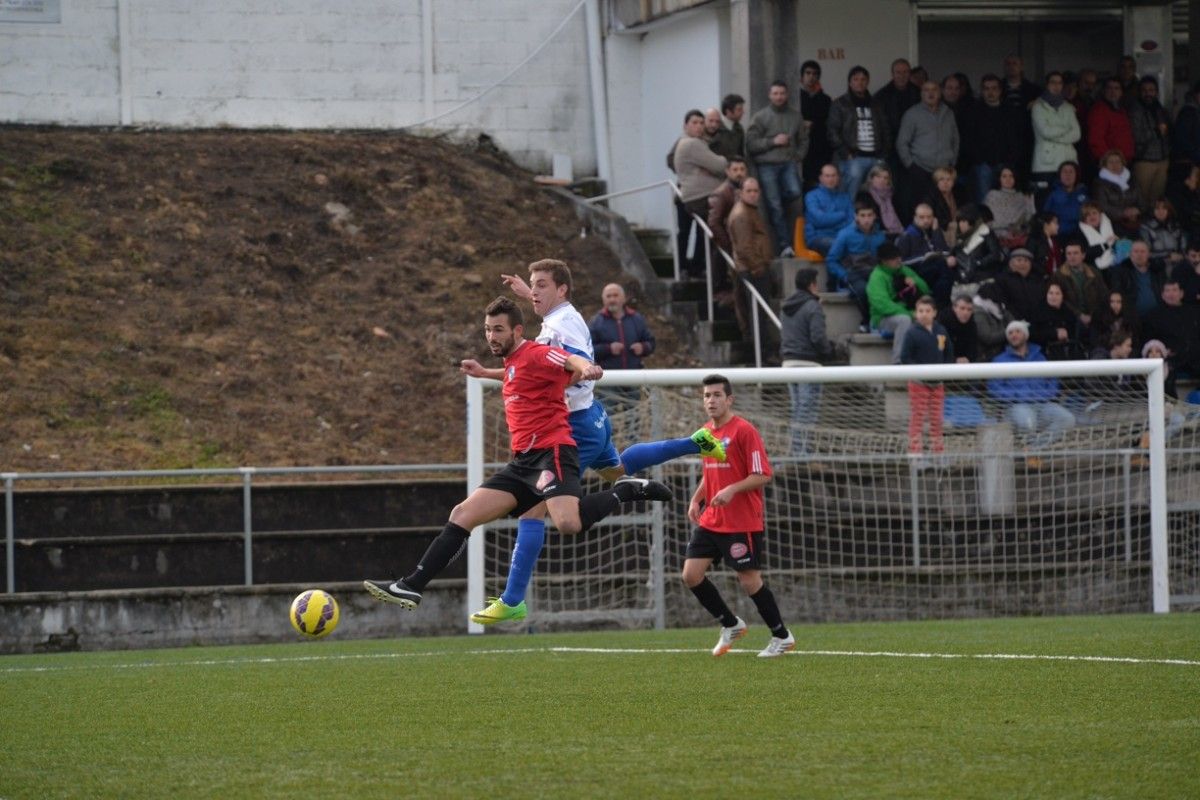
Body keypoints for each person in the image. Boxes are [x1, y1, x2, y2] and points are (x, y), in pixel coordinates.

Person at [363, 296, 674, 611]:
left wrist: (587, 366)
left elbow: (567, 360)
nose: (491, 336)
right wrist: (485, 372)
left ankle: (625, 489)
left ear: (517, 330)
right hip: (522, 461)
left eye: (498, 330)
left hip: (553, 452)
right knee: (462, 514)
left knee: (568, 523)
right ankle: (411, 586)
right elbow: (518, 375)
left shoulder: (537, 353)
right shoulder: (512, 362)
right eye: (487, 330)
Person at [456, 262, 726, 624]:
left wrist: (572, 373)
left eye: (541, 286)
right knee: (617, 471)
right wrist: (524, 298)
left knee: (533, 508)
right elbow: (536, 365)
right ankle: (695, 442)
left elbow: (561, 368)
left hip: (572, 426)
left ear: (562, 290)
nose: (533, 292)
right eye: (532, 286)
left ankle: (512, 598)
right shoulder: (566, 314)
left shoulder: (558, 327)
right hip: (591, 416)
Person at [683, 374, 793, 658]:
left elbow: (762, 475)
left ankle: (782, 636)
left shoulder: (744, 431)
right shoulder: (706, 432)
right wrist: (697, 499)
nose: (711, 400)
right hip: (712, 519)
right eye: (707, 395)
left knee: (749, 581)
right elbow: (711, 474)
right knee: (691, 575)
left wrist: (732, 490)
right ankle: (731, 624)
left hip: (741, 521)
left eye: (717, 395)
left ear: (729, 399)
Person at [987, 320, 1076, 449]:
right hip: (1016, 407)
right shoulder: (1000, 360)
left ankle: (1033, 449)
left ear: (1026, 335)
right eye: (1010, 333)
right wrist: (1017, 396)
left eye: (1018, 331)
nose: (1014, 335)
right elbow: (994, 387)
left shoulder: (1039, 357)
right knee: (1028, 423)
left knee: (1068, 419)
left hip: (1042, 404)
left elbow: (1052, 380)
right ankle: (1033, 454)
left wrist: (1044, 395)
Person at [746, 80, 809, 255]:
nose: (779, 97)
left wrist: (798, 156)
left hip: (788, 163)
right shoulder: (760, 117)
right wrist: (773, 141)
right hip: (767, 165)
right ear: (769, 95)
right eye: (775, 93)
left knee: (795, 192)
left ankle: (777, 197)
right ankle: (784, 245)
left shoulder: (796, 116)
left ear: (787, 94)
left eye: (782, 93)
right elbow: (750, 144)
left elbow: (804, 140)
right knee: (775, 207)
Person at [780, 267, 833, 456]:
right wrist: (829, 352)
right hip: (809, 365)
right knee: (808, 411)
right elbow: (818, 337)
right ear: (812, 285)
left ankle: (798, 451)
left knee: (798, 410)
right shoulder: (813, 306)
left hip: (788, 363)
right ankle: (802, 454)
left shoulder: (787, 307)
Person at [674, 109, 730, 276]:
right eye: (694, 123)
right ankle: (693, 266)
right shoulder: (692, 143)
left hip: (692, 193)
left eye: (700, 123)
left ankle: (693, 266)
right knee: (702, 232)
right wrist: (721, 163)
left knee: (700, 232)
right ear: (685, 126)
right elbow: (720, 165)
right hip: (697, 195)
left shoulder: (696, 142)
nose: (699, 127)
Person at [900, 295, 954, 457]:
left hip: (938, 382)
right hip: (918, 383)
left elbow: (948, 353)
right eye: (920, 311)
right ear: (916, 313)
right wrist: (919, 372)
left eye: (927, 311)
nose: (924, 314)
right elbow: (905, 357)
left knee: (937, 418)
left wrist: (945, 370)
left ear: (934, 313)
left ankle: (938, 452)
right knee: (918, 416)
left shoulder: (941, 331)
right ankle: (915, 452)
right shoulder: (911, 333)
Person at [896, 81, 959, 217]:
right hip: (921, 169)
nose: (930, 93)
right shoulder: (912, 114)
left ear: (940, 93)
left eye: (934, 90)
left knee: (945, 211)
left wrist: (952, 162)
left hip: (943, 171)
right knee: (922, 210)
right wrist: (911, 165)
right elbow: (902, 143)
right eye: (926, 90)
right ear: (921, 94)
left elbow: (955, 139)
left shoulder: (948, 112)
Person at [828, 65, 890, 201]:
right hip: (853, 157)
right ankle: (848, 220)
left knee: (881, 195)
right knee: (850, 195)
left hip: (876, 156)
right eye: (856, 79)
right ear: (850, 82)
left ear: (868, 81)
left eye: (863, 79)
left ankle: (876, 222)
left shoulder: (876, 103)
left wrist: (883, 152)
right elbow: (832, 131)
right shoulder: (840, 104)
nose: (859, 82)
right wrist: (846, 153)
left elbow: (885, 129)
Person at [827, 197, 886, 330]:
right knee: (863, 290)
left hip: (875, 271)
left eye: (869, 215)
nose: (866, 219)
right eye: (862, 215)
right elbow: (831, 260)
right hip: (853, 273)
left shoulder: (880, 236)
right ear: (856, 217)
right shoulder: (845, 234)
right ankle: (866, 322)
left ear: (875, 216)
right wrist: (844, 275)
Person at [966, 73, 1025, 204]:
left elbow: (1017, 137)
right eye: (986, 89)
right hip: (983, 165)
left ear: (1000, 90)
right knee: (984, 201)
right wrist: (978, 159)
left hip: (1006, 163)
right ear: (982, 91)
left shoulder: (1010, 111)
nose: (990, 92)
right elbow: (969, 138)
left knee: (1006, 200)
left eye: (993, 88)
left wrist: (1012, 159)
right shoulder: (974, 111)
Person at [867, 243, 929, 362]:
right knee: (904, 319)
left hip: (907, 311)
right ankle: (898, 360)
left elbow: (926, 289)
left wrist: (914, 281)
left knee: (927, 317)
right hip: (882, 319)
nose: (898, 260)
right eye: (894, 258)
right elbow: (883, 305)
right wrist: (911, 314)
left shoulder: (903, 270)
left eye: (898, 257)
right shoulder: (877, 277)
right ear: (884, 261)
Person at [1030, 72, 1081, 193]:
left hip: (1067, 160)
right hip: (1046, 164)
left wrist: (1055, 132)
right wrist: (1066, 129)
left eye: (1059, 83)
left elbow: (1076, 134)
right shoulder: (1038, 107)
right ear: (1047, 85)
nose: (1056, 86)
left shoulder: (1068, 107)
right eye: (1053, 82)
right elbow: (1046, 132)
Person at [896, 202, 955, 306]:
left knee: (946, 266)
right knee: (942, 266)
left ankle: (941, 303)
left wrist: (936, 231)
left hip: (934, 269)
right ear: (915, 217)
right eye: (921, 217)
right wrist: (923, 257)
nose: (926, 220)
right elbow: (901, 262)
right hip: (916, 271)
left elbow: (944, 251)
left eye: (929, 217)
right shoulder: (907, 236)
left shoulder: (932, 231)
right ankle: (940, 304)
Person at [588, 283, 655, 371]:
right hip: (608, 378)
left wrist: (643, 347)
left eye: (616, 295)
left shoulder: (636, 318)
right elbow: (588, 350)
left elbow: (651, 343)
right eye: (608, 296)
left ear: (624, 298)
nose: (612, 299)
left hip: (635, 377)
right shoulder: (596, 322)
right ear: (603, 300)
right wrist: (608, 349)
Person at [1129, 75, 1171, 211]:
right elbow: (1136, 135)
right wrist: (1156, 132)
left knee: (1157, 200)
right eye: (1145, 90)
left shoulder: (1161, 109)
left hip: (1162, 160)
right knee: (1141, 199)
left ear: (1157, 92)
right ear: (1140, 92)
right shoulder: (1135, 110)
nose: (1148, 93)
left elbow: (1169, 132)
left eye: (1151, 90)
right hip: (1144, 161)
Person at [1142, 280, 1200, 378]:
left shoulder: (1194, 312)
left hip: (1195, 357)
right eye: (1167, 291)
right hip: (1170, 360)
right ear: (1162, 295)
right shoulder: (1153, 316)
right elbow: (1149, 340)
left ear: (1181, 293)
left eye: (1174, 290)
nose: (1171, 294)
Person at [1056, 240, 1108, 336]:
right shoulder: (1059, 276)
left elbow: (1104, 295)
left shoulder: (1094, 273)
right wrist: (1079, 315)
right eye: (1069, 254)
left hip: (1096, 320)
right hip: (1071, 322)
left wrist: (1095, 315)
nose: (1072, 257)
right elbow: (1061, 301)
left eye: (1075, 253)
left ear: (1083, 255)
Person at [804, 163, 853, 255]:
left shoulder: (845, 197)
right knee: (840, 245)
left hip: (841, 237)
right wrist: (842, 215)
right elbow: (819, 220)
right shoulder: (811, 196)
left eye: (833, 176)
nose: (831, 179)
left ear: (838, 178)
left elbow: (851, 222)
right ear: (821, 178)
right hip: (818, 238)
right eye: (827, 176)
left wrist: (829, 220)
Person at [799, 60, 833, 192]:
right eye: (808, 73)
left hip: (820, 148)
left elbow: (829, 123)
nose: (811, 77)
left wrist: (814, 124)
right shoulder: (795, 98)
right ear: (802, 76)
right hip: (801, 148)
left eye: (815, 74)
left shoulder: (825, 100)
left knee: (820, 184)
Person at [1112, 240, 1167, 320]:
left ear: (1149, 254)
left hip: (1158, 316)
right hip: (1133, 318)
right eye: (1136, 251)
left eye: (1142, 251)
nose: (1139, 254)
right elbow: (1117, 294)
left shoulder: (1157, 270)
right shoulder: (1121, 271)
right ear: (1130, 254)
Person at [1030, 279, 1083, 360]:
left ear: (1063, 296)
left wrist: (1067, 333)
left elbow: (1079, 332)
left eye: (1057, 293)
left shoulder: (1069, 313)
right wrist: (1054, 333)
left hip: (1069, 351)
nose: (1053, 297)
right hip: (1046, 353)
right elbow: (1033, 334)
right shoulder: (1038, 312)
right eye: (1050, 293)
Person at [952, 203, 1005, 283]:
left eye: (963, 221)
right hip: (963, 277)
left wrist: (978, 263)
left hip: (984, 275)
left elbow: (995, 254)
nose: (960, 225)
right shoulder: (960, 237)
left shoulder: (986, 234)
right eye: (959, 221)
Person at [1093, 149, 1141, 237]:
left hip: (1134, 220)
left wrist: (1137, 210)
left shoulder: (1132, 180)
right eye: (1111, 162)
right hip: (1113, 223)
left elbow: (1141, 201)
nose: (1115, 165)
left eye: (1117, 161)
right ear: (1104, 165)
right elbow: (1102, 206)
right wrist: (1123, 213)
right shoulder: (1100, 183)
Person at [984, 165, 1036, 246]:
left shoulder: (1021, 196)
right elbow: (989, 221)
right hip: (997, 236)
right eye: (1004, 176)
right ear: (999, 179)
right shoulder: (992, 195)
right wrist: (1007, 229)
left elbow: (1028, 217)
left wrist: (1029, 200)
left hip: (1019, 237)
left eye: (1011, 176)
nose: (1008, 179)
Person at [1087, 78, 1134, 165]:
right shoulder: (1099, 110)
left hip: (1123, 161)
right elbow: (1096, 139)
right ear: (1104, 91)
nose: (1113, 92)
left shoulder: (1121, 110)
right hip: (1110, 163)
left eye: (1116, 88)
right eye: (1109, 88)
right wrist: (1108, 160)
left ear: (1121, 92)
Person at [708, 156, 748, 256]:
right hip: (730, 246)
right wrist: (728, 245)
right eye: (735, 170)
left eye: (742, 169)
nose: (739, 173)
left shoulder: (748, 190)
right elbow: (714, 223)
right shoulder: (720, 193)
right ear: (728, 172)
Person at [995, 247, 1047, 325]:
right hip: (1014, 324)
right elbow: (1004, 303)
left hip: (1038, 323)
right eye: (1019, 260)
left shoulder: (1037, 280)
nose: (1023, 263)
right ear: (1010, 263)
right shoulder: (1002, 279)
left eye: (1026, 261)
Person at [1041, 161, 1088, 237]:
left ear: (1076, 175)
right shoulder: (1053, 194)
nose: (1068, 175)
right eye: (1065, 172)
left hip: (1079, 235)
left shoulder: (1083, 194)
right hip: (1057, 234)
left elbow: (1088, 215)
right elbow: (1045, 216)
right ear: (1060, 175)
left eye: (1071, 172)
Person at [1141, 198, 1187, 267]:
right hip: (1156, 265)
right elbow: (1146, 253)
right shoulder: (1145, 228)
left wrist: (1180, 256)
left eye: (1164, 208)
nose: (1161, 211)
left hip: (1177, 264)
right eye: (1157, 209)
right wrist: (1168, 255)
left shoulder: (1176, 226)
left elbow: (1184, 247)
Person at [926, 165, 967, 241]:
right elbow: (930, 220)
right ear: (936, 182)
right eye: (941, 179)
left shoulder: (958, 194)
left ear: (953, 182)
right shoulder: (930, 197)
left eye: (948, 179)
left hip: (958, 230)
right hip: (939, 232)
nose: (945, 183)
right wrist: (951, 225)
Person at [1078, 201, 1120, 273]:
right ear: (1084, 218)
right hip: (1093, 269)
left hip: (1116, 264)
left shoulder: (1112, 225)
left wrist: (1118, 241)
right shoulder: (1079, 233)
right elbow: (1085, 254)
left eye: (1094, 213)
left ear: (1100, 214)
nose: (1092, 216)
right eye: (1088, 215)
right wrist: (1105, 245)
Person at [937, 293, 979, 363]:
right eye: (962, 308)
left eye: (969, 309)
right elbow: (939, 349)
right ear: (954, 308)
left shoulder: (972, 325)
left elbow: (974, 348)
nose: (966, 312)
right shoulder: (942, 324)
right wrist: (954, 360)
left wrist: (968, 358)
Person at [865, 163, 904, 238]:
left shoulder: (894, 196)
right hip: (875, 233)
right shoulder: (865, 196)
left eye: (885, 178)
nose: (882, 180)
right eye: (878, 176)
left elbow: (901, 216)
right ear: (871, 178)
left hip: (896, 233)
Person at [716, 93, 747, 159]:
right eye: (739, 110)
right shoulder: (716, 127)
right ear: (728, 111)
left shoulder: (739, 128)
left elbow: (740, 153)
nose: (743, 112)